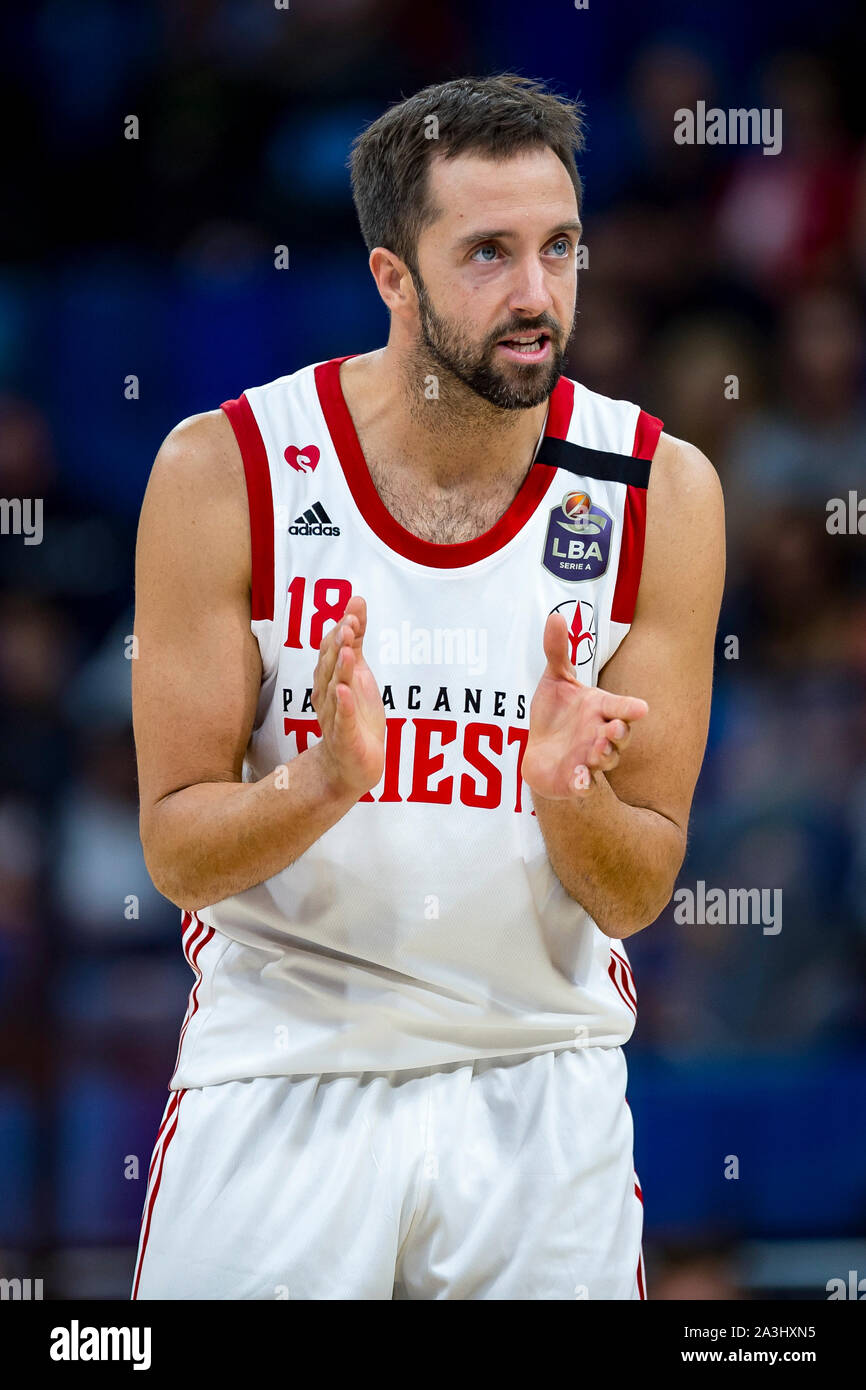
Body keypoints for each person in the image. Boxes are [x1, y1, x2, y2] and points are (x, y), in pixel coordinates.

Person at [130, 74, 724, 1300]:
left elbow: (639, 881)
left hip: (537, 1073)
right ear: (392, 276)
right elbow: (178, 852)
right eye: (488, 254)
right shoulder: (221, 468)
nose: (534, 295)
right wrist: (321, 783)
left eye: (558, 248)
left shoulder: (659, 491)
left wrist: (569, 800)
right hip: (281, 1068)